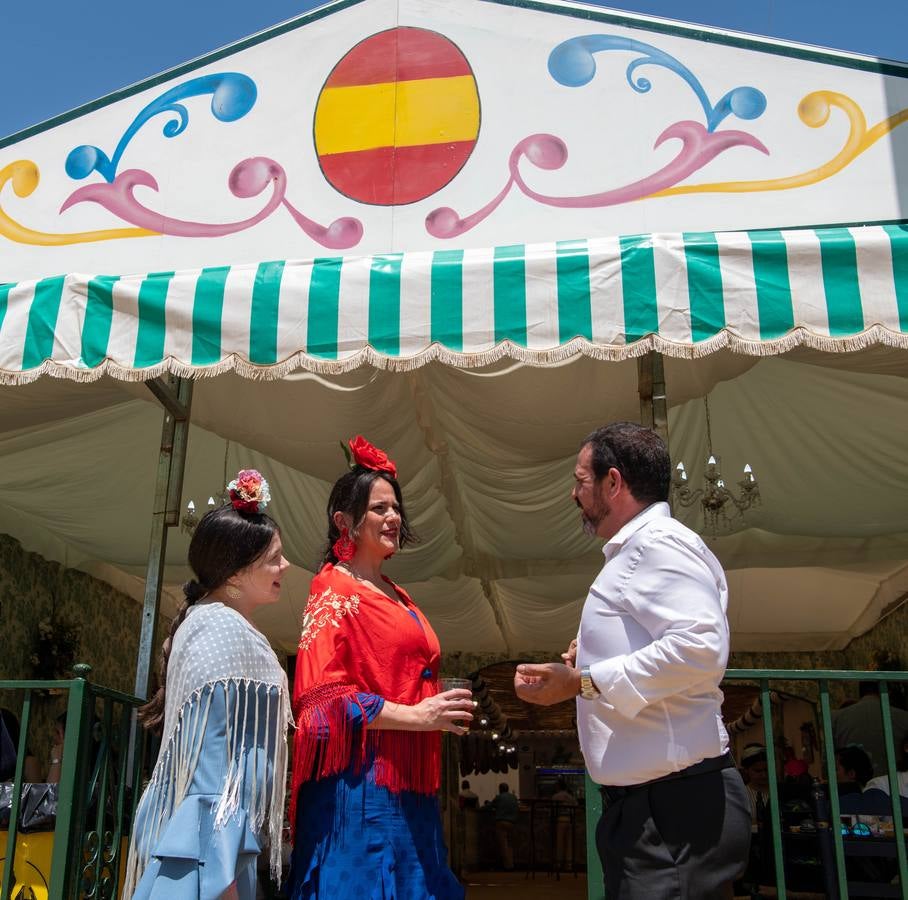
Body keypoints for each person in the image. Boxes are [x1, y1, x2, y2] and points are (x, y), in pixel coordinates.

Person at [514, 422, 750, 899]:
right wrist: (595, 653)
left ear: (613, 482)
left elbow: (700, 646)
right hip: (657, 811)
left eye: (581, 481)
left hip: (673, 813)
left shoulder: (656, 545)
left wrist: (583, 681)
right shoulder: (640, 550)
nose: (573, 494)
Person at [286, 436, 471, 900]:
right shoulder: (332, 588)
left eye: (396, 508)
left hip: (408, 783)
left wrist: (431, 715)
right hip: (360, 786)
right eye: (379, 509)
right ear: (344, 521)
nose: (394, 518)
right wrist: (417, 716)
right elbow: (322, 699)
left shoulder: (392, 589)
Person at [123, 470, 293, 900]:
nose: (285, 567)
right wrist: (222, 882)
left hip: (219, 843)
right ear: (236, 573)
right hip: (208, 853)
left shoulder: (215, 623)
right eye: (274, 558)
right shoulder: (219, 629)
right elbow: (209, 770)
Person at [832, 681, 908, 778]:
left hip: (854, 786)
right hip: (895, 784)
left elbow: (828, 765)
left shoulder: (836, 718)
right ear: (887, 692)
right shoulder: (903, 717)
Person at [490, 782, 519, 871]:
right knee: (510, 845)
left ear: (500, 789)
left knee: (503, 845)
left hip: (501, 822)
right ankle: (511, 864)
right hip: (511, 823)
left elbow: (490, 806)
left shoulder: (499, 797)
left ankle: (507, 866)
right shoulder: (513, 797)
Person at [551, 777, 578, 872]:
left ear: (558, 786)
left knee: (559, 842)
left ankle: (559, 863)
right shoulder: (570, 797)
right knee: (569, 842)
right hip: (569, 820)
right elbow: (576, 806)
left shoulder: (555, 796)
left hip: (560, 820)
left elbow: (553, 810)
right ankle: (569, 864)